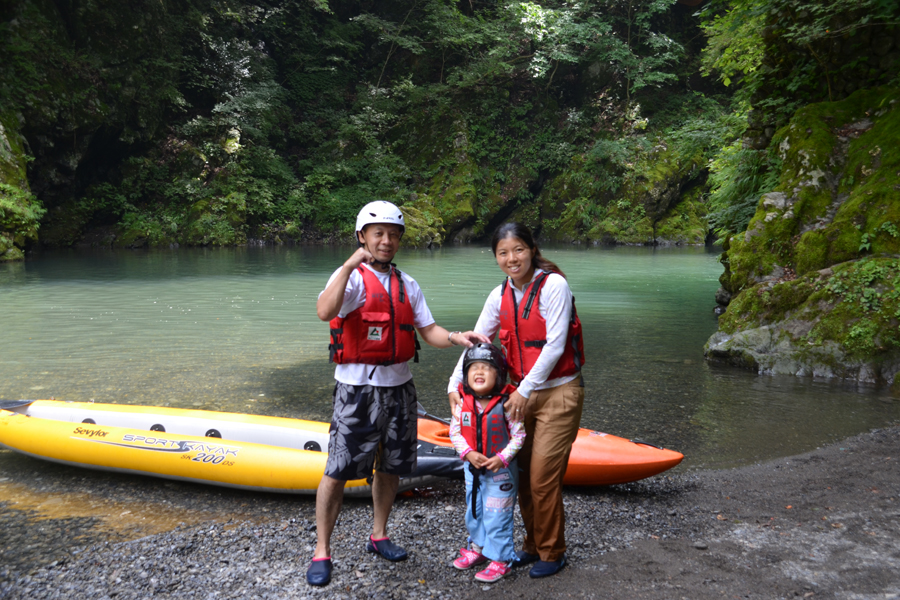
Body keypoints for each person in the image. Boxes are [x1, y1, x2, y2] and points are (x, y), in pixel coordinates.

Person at [309, 200, 489, 587]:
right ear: (362, 237)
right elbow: (325, 311)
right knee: (337, 470)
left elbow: (429, 331)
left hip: (399, 388)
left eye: (393, 234)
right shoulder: (352, 280)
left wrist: (459, 338)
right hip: (356, 390)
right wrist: (348, 265)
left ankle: (379, 535)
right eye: (378, 234)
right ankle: (322, 550)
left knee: (391, 467)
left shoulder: (408, 284)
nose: (387, 241)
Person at [447, 222, 585, 579]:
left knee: (541, 479)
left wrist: (523, 392)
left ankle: (553, 552)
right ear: (495, 257)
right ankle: (531, 545)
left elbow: (554, 345)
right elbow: (477, 345)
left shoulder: (554, 285)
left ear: (532, 248)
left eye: (518, 250)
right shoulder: (499, 296)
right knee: (520, 476)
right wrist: (454, 387)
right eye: (503, 253)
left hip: (558, 392)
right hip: (518, 397)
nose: (512, 259)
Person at [448, 343, 525, 583]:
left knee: (497, 515)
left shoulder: (507, 405)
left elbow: (519, 436)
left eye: (486, 368)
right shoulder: (463, 403)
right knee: (475, 511)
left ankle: (501, 560)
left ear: (499, 375)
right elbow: (455, 433)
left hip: (500, 472)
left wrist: (502, 458)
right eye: (474, 369)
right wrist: (468, 453)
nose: (479, 372)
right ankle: (478, 548)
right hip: (473, 470)